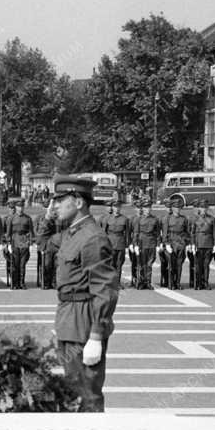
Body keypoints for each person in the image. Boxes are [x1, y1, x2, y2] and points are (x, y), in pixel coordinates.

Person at [52, 175, 119, 414]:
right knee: (72, 389)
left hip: (84, 321)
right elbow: (43, 242)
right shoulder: (72, 233)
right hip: (69, 318)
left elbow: (105, 289)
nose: (55, 205)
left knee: (87, 392)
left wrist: (97, 335)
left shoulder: (92, 237)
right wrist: (50, 217)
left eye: (61, 200)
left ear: (79, 202)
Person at [101, 198, 131, 288]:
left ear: (120, 208)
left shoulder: (125, 219)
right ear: (112, 208)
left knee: (119, 264)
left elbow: (127, 233)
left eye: (118, 207)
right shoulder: (107, 218)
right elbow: (104, 232)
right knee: (110, 264)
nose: (117, 209)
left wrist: (128, 245)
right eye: (115, 207)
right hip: (110, 243)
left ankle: (117, 283)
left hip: (120, 244)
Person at [4, 199, 35, 289]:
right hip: (15, 242)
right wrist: (8, 243)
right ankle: (15, 283)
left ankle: (22, 282)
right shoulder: (11, 218)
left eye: (22, 207)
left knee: (22, 265)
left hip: (24, 243)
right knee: (15, 265)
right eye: (18, 207)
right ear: (16, 207)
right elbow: (8, 232)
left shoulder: (28, 218)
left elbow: (31, 231)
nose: (20, 209)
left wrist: (31, 243)